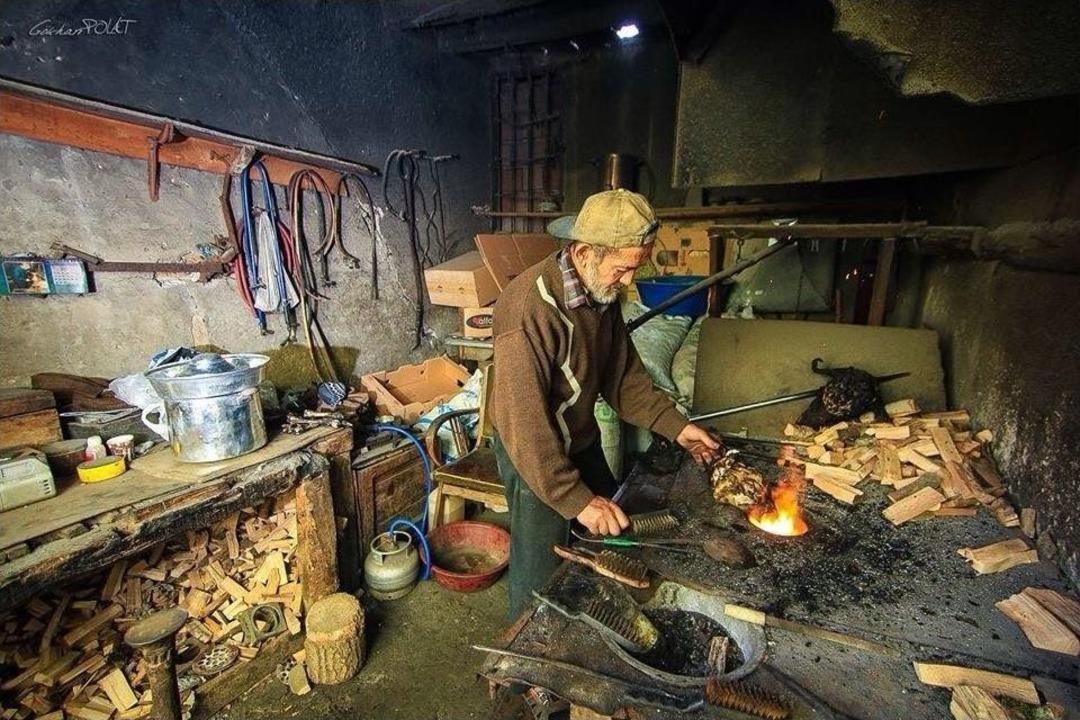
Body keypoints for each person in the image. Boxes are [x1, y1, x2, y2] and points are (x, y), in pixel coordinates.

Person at [490, 188, 722, 617]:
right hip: (534, 453)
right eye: (623, 268)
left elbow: (623, 379)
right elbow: (524, 425)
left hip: (578, 440)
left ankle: (592, 614)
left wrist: (678, 426)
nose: (629, 281)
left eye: (636, 267)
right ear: (583, 253)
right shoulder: (528, 312)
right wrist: (575, 500)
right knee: (541, 571)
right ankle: (523, 672)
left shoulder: (601, 293)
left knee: (617, 529)